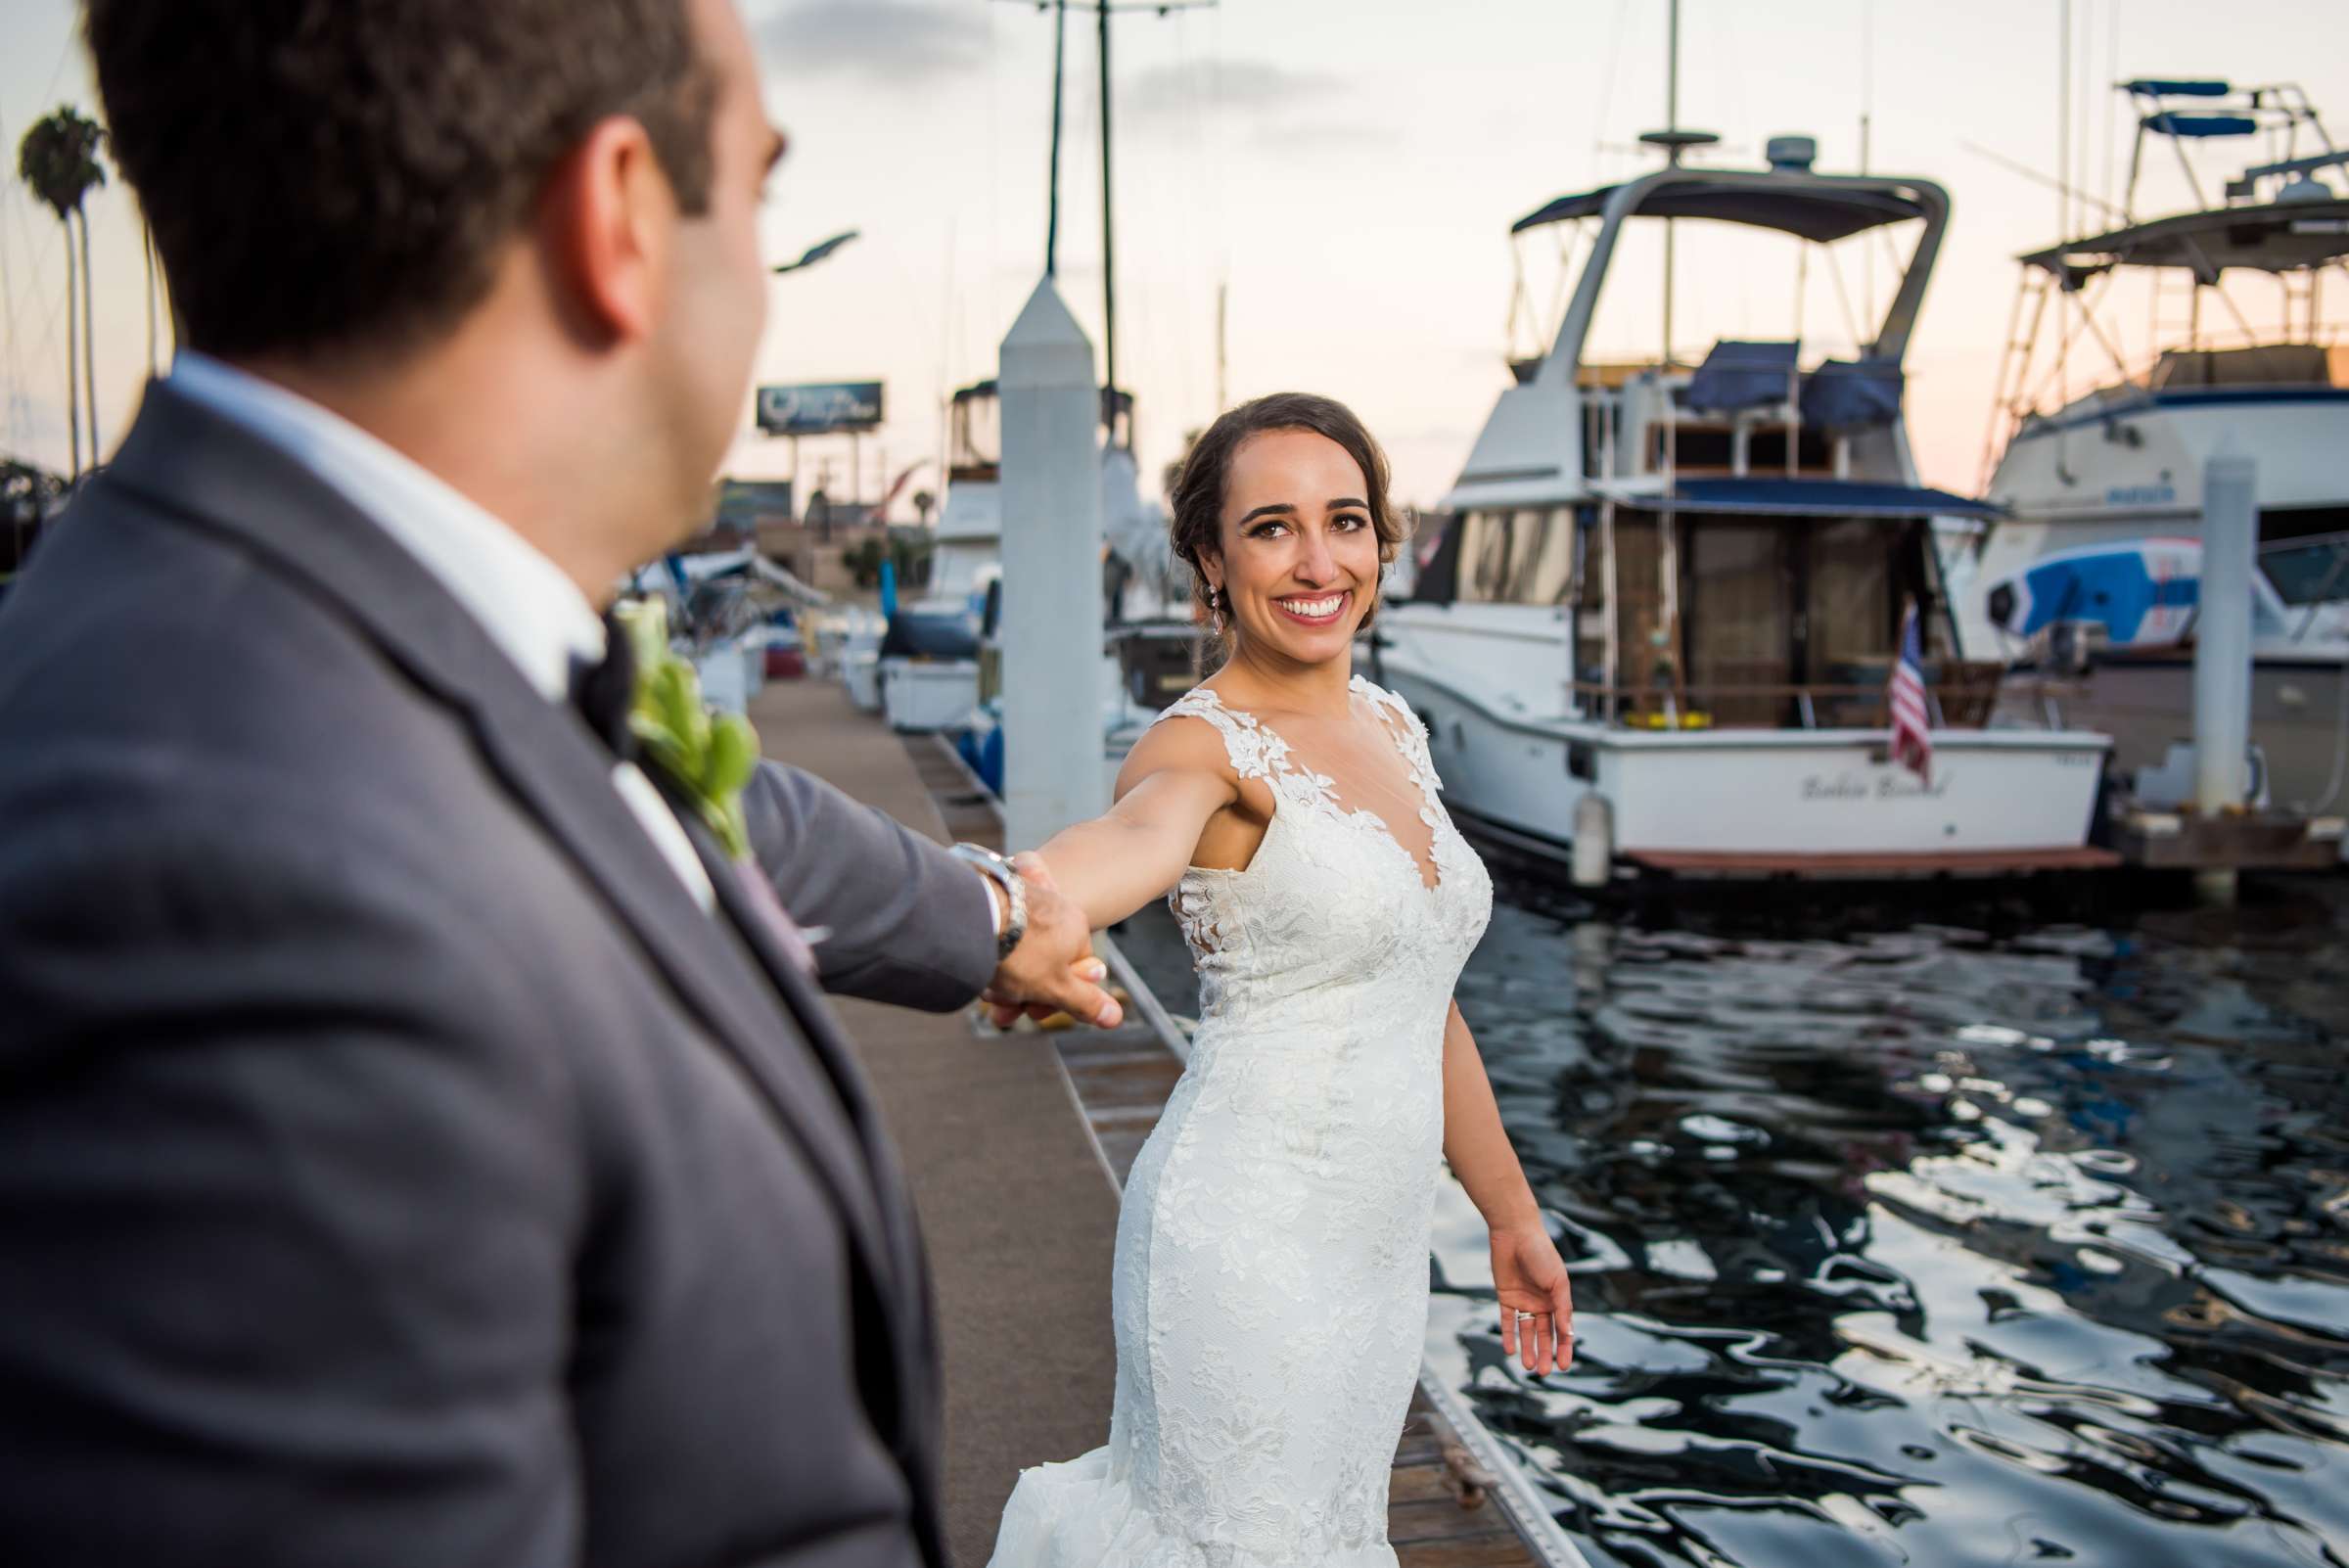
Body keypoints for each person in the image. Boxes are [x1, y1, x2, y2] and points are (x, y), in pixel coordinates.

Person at [0, 2, 1117, 1565]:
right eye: (758, 183)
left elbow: (639, 812)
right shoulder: (232, 885)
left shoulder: (331, 628)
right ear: (618, 220)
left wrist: (990, 908)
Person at [984, 392, 1577, 1566]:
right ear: (1210, 558)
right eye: (1271, 528)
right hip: (1242, 1242)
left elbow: (1422, 995)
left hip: (1375, 1256)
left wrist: (1509, 1215)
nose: (1318, 562)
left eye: (1344, 521)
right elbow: (1122, 848)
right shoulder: (1200, 748)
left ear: (1380, 541)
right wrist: (1012, 903)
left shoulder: (1395, 729)